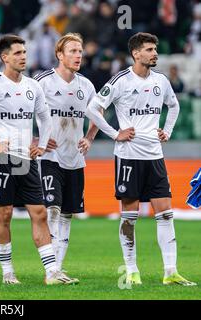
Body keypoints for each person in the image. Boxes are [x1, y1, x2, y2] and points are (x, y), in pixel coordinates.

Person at [86, 32, 196, 286]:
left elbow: (174, 105)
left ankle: (171, 272)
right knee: (129, 217)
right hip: (128, 157)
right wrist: (115, 133)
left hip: (155, 156)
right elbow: (93, 108)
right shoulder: (120, 81)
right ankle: (132, 270)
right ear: (136, 53)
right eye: (149, 49)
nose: (154, 53)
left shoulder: (161, 81)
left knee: (166, 214)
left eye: (155, 49)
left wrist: (166, 130)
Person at [0, 34, 68, 285]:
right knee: (5, 214)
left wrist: (41, 145)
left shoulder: (33, 87)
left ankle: (51, 273)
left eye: (24, 52)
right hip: (3, 159)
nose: (23, 57)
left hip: (27, 160)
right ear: (4, 57)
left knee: (39, 212)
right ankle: (8, 272)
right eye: (18, 53)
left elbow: (45, 118)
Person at [33, 33, 98, 284]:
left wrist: (89, 138)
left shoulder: (87, 86)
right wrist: (34, 139)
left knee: (68, 214)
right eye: (72, 51)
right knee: (53, 209)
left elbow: (98, 115)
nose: (78, 55)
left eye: (80, 51)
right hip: (50, 157)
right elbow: (24, 111)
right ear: (60, 55)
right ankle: (51, 270)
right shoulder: (42, 82)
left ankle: (58, 269)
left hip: (75, 158)